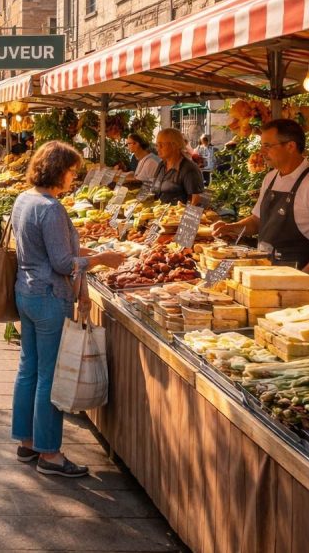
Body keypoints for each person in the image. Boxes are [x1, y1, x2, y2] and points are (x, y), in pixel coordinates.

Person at [11, 141, 125, 477]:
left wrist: (86, 255)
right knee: (49, 375)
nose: (74, 179)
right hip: (49, 297)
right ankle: (50, 455)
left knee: (28, 368)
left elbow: (47, 247)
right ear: (59, 170)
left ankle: (27, 442)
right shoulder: (51, 207)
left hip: (26, 292)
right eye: (73, 172)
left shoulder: (24, 199)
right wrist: (102, 259)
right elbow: (62, 262)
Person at [213, 119, 309, 274]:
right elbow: (257, 221)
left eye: (268, 146)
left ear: (290, 146)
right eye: (261, 145)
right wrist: (231, 228)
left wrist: (306, 274)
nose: (262, 152)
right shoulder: (271, 178)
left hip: (297, 276)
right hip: (264, 271)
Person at [152, 128, 205, 205]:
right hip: (158, 213)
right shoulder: (161, 165)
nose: (158, 149)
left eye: (161, 145)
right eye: (157, 145)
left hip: (176, 215)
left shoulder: (189, 169)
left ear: (175, 145)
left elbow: (196, 200)